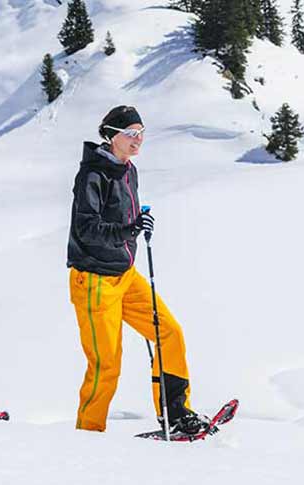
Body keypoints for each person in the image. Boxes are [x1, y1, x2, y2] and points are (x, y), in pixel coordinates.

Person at [67, 105, 206, 434]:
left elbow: (123, 220)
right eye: (131, 134)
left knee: (169, 333)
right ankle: (88, 436)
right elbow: (86, 228)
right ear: (111, 136)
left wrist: (137, 226)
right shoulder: (92, 175)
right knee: (106, 365)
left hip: (125, 276)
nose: (137, 140)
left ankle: (175, 413)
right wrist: (126, 232)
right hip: (94, 280)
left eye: (141, 133)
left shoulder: (129, 171)